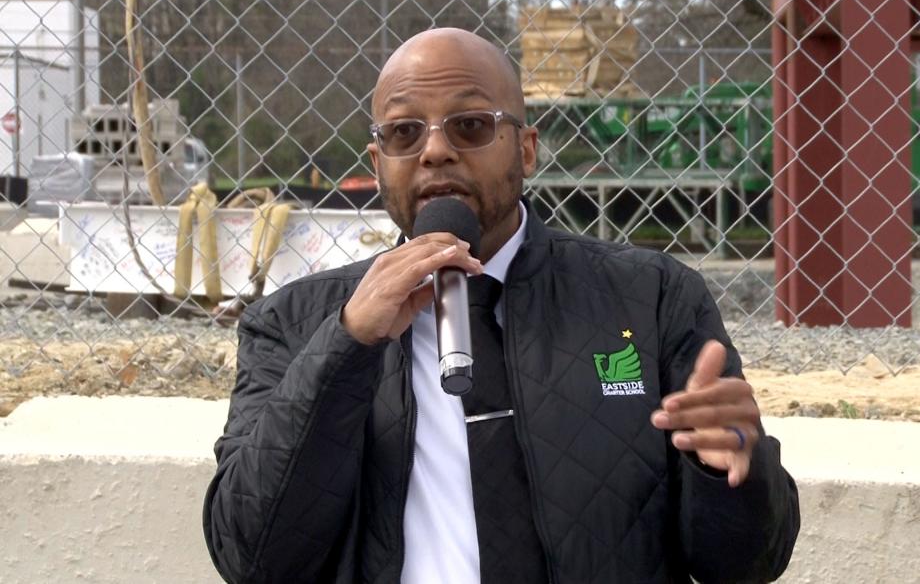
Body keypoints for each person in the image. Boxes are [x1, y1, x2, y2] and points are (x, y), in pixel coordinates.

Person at [203, 28, 800, 584]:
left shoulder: (651, 299)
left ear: (527, 149)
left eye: (469, 125)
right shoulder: (293, 322)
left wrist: (730, 471)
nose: (435, 151)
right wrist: (347, 345)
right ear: (377, 164)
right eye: (404, 133)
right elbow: (252, 558)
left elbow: (746, 564)